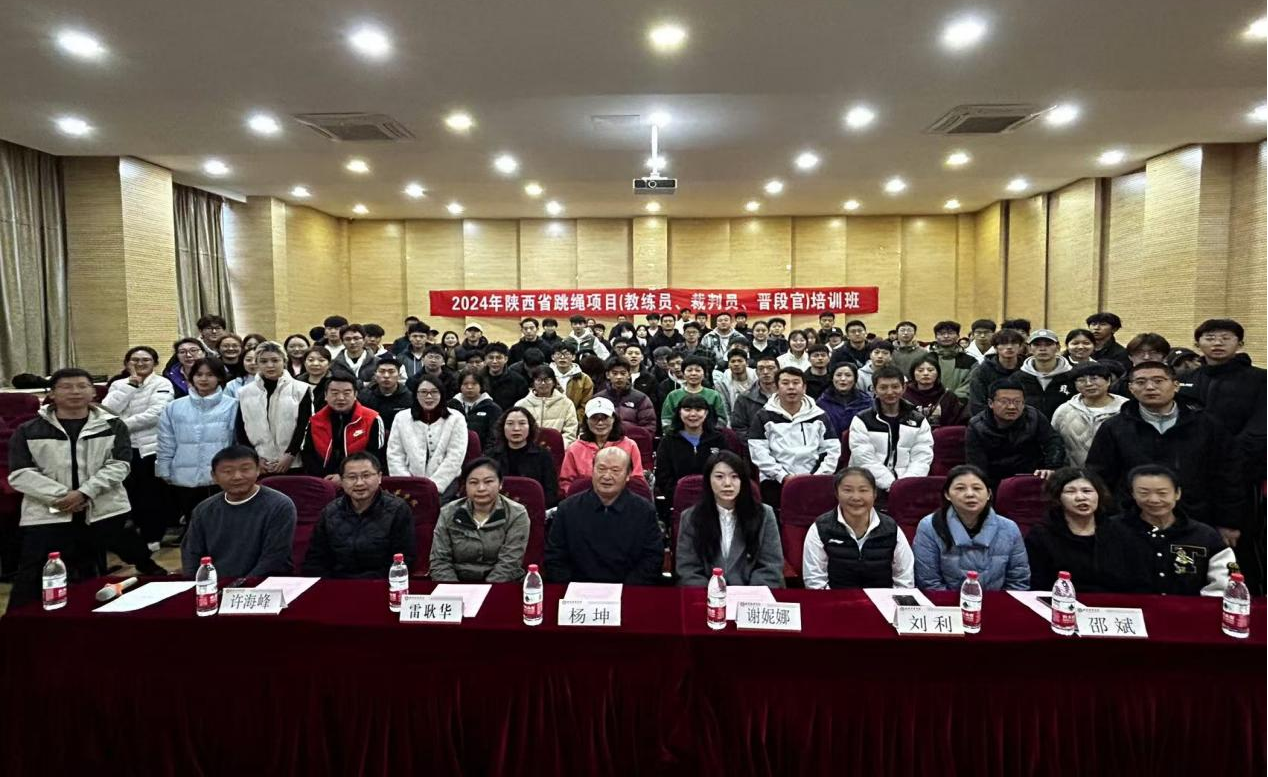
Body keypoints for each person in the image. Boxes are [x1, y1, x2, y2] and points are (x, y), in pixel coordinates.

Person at [8, 368, 166, 606]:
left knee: (100, 570)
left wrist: (85, 493)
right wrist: (62, 496)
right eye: (66, 387)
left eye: (82, 386)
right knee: (32, 576)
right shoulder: (29, 430)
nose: (75, 392)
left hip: (103, 507)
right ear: (52, 393)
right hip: (48, 512)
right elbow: (20, 473)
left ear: (93, 392)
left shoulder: (113, 425)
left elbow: (120, 465)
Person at [1086, 361, 1244, 541]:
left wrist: (1228, 521)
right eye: (1141, 382)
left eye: (1158, 381)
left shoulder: (1207, 425)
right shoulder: (1114, 427)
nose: (1150, 387)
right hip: (1131, 520)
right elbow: (1099, 477)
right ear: (1131, 388)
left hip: (1196, 519)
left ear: (1176, 385)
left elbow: (1228, 475)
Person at [544, 447, 663, 584]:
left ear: (628, 475)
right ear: (592, 470)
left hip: (629, 589)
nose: (607, 476)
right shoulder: (567, 509)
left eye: (615, 470)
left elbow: (652, 558)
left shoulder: (644, 511)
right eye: (601, 469)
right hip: (576, 590)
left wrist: (627, 589)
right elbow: (555, 557)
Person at [1114, 464, 1235, 596]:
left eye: (1162, 493)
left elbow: (1225, 584)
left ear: (1177, 493)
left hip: (1190, 607)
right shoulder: (1113, 530)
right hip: (1128, 607)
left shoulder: (1205, 536)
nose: (1154, 499)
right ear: (1133, 494)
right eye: (1144, 493)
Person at [180, 445, 297, 578]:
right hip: (215, 584)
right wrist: (197, 583)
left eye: (245, 469)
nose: (237, 477)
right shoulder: (203, 510)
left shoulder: (279, 505)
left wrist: (239, 586)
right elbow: (191, 555)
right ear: (214, 476)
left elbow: (274, 559)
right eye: (227, 471)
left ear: (258, 470)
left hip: (263, 583)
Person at [102, 346, 175, 549]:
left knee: (151, 496)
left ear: (155, 363)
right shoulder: (119, 384)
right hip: (121, 448)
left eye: (146, 360)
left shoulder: (162, 383)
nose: (140, 364)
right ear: (127, 363)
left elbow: (156, 414)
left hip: (150, 448)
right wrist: (130, 386)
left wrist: (120, 426)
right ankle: (129, 540)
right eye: (135, 360)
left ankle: (153, 536)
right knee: (127, 494)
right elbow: (107, 411)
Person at [912, 464, 1030, 590]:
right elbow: (929, 583)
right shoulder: (929, 527)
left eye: (977, 488)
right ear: (947, 495)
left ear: (989, 494)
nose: (970, 494)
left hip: (999, 601)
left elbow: (1018, 582)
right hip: (944, 601)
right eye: (960, 488)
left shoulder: (1009, 528)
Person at [301, 452, 417, 578]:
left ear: (379, 477)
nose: (359, 483)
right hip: (337, 584)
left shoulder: (397, 510)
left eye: (366, 476)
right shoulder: (330, 512)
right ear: (342, 481)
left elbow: (404, 560)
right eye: (352, 477)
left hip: (382, 583)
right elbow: (315, 561)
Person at [676, 451, 784, 586]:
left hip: (752, 595)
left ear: (743, 481)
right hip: (707, 595)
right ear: (708, 480)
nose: (727, 483)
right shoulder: (691, 517)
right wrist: (714, 595)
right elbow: (688, 570)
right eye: (719, 477)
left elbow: (770, 567)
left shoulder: (764, 515)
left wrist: (748, 596)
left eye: (734, 477)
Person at [1182, 318, 1267, 490]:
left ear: (1240, 344)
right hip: (1192, 464)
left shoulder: (1260, 378)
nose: (1218, 343)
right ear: (1197, 344)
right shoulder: (1186, 379)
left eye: (1226, 338)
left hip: (1242, 466)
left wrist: (1232, 454)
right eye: (1210, 338)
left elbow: (1260, 424)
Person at [156, 358, 238, 535]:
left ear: (220, 378)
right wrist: (164, 469)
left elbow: (235, 443)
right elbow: (166, 441)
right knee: (193, 527)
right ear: (191, 377)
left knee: (223, 527)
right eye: (199, 374)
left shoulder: (233, 405)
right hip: (185, 477)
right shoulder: (174, 407)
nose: (204, 379)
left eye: (210, 375)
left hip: (220, 478)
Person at [1024, 467, 1137, 592]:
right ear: (1057, 497)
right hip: (1061, 600)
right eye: (1070, 492)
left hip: (1115, 601)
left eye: (1087, 491)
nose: (1080, 497)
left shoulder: (1120, 531)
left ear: (1099, 494)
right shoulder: (1042, 535)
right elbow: (1038, 583)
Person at [802, 467, 915, 589]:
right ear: (837, 494)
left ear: (874, 494)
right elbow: (815, 581)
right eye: (847, 490)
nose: (856, 497)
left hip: (883, 598)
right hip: (835, 598)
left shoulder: (891, 529)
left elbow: (905, 580)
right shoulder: (821, 528)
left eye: (863, 490)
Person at [747, 367, 841, 509]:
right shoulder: (763, 416)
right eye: (785, 383)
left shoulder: (819, 416)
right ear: (776, 387)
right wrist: (783, 476)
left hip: (814, 479)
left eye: (796, 383)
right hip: (775, 480)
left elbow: (831, 450)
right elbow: (759, 453)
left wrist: (816, 477)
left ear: (804, 387)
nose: (791, 387)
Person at [428, 457, 531, 583]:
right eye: (473, 482)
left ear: (500, 484)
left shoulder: (516, 514)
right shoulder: (448, 512)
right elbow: (440, 560)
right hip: (456, 582)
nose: (481, 488)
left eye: (488, 482)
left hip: (501, 584)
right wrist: (454, 589)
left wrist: (487, 589)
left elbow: (510, 563)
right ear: (465, 486)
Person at [848, 366, 934, 500]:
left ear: (903, 388)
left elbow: (922, 457)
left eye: (895, 387)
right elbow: (864, 458)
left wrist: (905, 484)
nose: (890, 392)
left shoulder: (918, 421)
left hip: (908, 486)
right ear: (874, 390)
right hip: (868, 485)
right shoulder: (862, 420)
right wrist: (892, 485)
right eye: (883, 387)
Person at [966, 378, 1065, 487]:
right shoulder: (977, 426)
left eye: (1017, 402)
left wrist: (1051, 467)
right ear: (990, 403)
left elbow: (1053, 442)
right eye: (1004, 401)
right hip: (995, 481)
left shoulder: (1034, 417)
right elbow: (977, 466)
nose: (1012, 407)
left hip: (1032, 477)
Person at [235, 342, 312, 474]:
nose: (270, 365)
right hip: (260, 464)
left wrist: (291, 454)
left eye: (275, 360)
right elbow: (241, 428)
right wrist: (254, 457)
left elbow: (305, 425)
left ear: (284, 361)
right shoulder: (245, 392)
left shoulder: (300, 389)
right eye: (263, 361)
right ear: (257, 364)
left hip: (294, 463)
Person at [386, 375, 469, 496]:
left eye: (434, 392)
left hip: (446, 482)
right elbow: (395, 455)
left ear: (441, 394)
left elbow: (455, 457)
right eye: (423, 392)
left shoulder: (456, 418)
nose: (429, 396)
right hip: (409, 483)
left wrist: (433, 486)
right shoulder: (401, 418)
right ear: (416, 394)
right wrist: (407, 484)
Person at [298, 373, 386, 484]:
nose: (340, 398)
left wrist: (344, 476)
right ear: (325, 395)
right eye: (334, 393)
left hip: (359, 480)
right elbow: (307, 453)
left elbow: (376, 455)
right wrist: (324, 480)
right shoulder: (315, 420)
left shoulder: (372, 419)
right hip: (322, 481)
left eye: (346, 393)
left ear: (355, 394)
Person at [559, 397, 646, 494]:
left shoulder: (630, 445)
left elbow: (637, 480)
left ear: (614, 419)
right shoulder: (574, 448)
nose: (600, 423)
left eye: (605, 418)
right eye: (594, 418)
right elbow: (566, 482)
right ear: (586, 421)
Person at [1050, 362, 1127, 467]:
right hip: (1076, 473)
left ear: (1108, 380)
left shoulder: (1127, 409)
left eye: (1094, 378)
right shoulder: (1064, 411)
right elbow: (1054, 444)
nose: (1088, 384)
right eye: (1081, 380)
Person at [655, 394, 728, 500]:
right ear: (679, 412)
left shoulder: (718, 439)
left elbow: (726, 471)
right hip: (678, 498)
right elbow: (663, 476)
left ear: (706, 413)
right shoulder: (668, 441)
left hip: (714, 498)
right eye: (687, 410)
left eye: (698, 410)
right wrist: (678, 494)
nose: (693, 414)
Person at [487, 407, 560, 507]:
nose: (516, 428)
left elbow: (551, 492)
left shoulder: (543, 456)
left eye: (522, 423)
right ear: (502, 427)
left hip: (534, 508)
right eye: (510, 423)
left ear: (530, 427)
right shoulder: (491, 456)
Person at [1015, 329, 1077, 419]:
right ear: (1029, 348)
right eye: (1037, 345)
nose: (1042, 349)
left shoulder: (1072, 376)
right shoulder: (1017, 378)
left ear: (1058, 347)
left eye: (1048, 344)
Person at [515, 365, 581, 445]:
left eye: (547, 380)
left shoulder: (567, 403)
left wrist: (558, 447)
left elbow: (570, 431)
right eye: (539, 380)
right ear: (533, 383)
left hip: (557, 449)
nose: (543, 383)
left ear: (554, 382)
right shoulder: (521, 405)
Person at [966, 328, 1025, 416]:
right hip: (990, 420)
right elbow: (977, 403)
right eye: (1003, 343)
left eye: (1013, 343)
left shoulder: (1027, 369)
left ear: (1020, 346)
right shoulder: (982, 371)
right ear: (995, 347)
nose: (1009, 347)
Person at [594, 356, 658, 436]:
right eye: (615, 373)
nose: (619, 377)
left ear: (629, 375)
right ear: (607, 375)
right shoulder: (598, 399)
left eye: (623, 373)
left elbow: (649, 427)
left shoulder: (641, 398)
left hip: (634, 441)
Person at [661, 356, 728, 427]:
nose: (693, 373)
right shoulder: (673, 396)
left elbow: (722, 419)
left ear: (704, 374)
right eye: (689, 370)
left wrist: (712, 432)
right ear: (683, 374)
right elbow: (666, 420)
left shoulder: (714, 395)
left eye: (698, 370)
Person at [448, 368, 502, 452]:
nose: (469, 387)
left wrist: (485, 456)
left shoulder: (492, 408)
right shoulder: (450, 406)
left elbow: (494, 437)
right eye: (465, 384)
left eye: (474, 384)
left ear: (481, 385)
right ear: (460, 385)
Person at [904, 356, 966, 427]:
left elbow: (959, 423)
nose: (925, 373)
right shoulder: (905, 395)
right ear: (913, 374)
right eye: (920, 370)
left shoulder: (948, 396)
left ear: (937, 373)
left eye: (930, 370)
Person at [357, 356, 412, 433]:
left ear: (399, 375)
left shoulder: (409, 398)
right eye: (382, 371)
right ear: (375, 375)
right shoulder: (364, 397)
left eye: (391, 372)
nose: (386, 376)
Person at [731, 353, 780, 438]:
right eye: (761, 369)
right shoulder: (744, 398)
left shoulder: (787, 395)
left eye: (770, 368)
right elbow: (739, 428)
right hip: (754, 442)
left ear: (779, 371)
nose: (765, 372)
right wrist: (752, 443)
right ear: (756, 372)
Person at [817, 362, 874, 434]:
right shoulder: (822, 403)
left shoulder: (867, 402)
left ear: (855, 379)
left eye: (848, 375)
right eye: (838, 375)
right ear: (832, 378)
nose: (843, 379)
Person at [926, 321, 978, 399]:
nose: (946, 336)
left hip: (961, 402)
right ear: (936, 337)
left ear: (958, 336)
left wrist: (951, 399)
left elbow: (970, 384)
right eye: (941, 334)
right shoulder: (926, 359)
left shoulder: (970, 361)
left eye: (950, 333)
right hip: (929, 401)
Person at [550, 342, 594, 419]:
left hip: (574, 419)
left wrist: (574, 419)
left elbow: (585, 404)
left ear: (573, 357)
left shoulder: (584, 379)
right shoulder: (546, 376)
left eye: (567, 354)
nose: (562, 357)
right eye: (558, 354)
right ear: (552, 357)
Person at [481, 342, 527, 409]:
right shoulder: (478, 378)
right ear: (485, 359)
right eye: (491, 358)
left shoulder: (518, 380)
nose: (494, 361)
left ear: (506, 359)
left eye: (498, 358)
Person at [301, 345, 334, 412]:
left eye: (321, 360)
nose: (315, 364)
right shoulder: (297, 382)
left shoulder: (335, 383)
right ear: (304, 362)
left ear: (329, 364)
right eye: (311, 360)